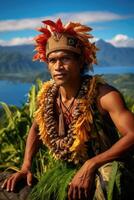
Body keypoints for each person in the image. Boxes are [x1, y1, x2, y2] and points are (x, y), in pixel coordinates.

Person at [1, 18, 134, 200]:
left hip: (107, 168)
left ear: (81, 61)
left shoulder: (104, 96)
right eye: (52, 60)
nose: (58, 67)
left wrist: (92, 163)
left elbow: (132, 134)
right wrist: (26, 166)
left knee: (109, 176)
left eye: (65, 58)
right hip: (68, 172)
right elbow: (36, 128)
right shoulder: (48, 97)